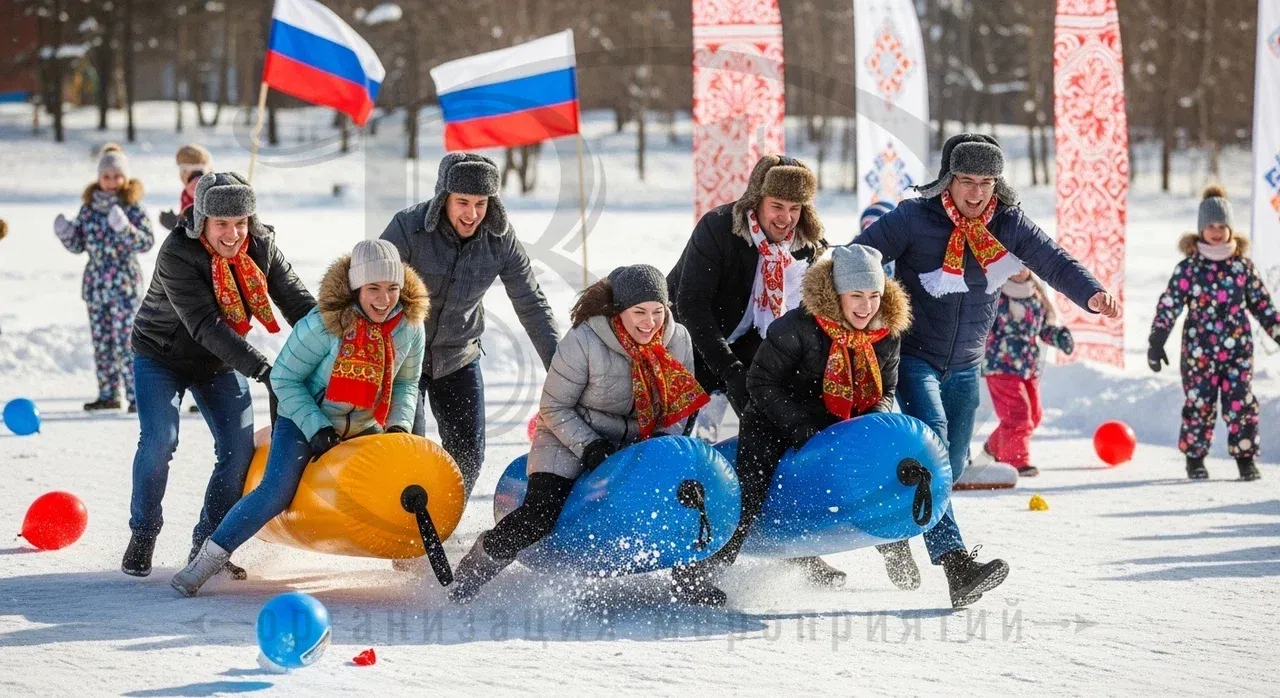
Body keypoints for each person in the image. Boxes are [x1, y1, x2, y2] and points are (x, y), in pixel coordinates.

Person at [853, 133, 1121, 607]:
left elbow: (1052, 260)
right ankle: (956, 564)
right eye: (966, 181)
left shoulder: (1007, 222)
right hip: (915, 357)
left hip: (967, 363)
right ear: (948, 181)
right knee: (932, 446)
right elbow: (859, 257)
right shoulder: (915, 218)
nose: (976, 193)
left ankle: (894, 526)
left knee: (951, 465)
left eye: (987, 182)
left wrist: (1091, 293)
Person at [171, 240, 428, 596]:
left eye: (392, 289)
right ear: (356, 287)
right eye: (373, 289)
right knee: (276, 491)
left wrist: (399, 426)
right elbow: (284, 379)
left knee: (401, 479)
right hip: (304, 415)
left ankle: (418, 558)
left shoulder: (410, 327)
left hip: (367, 424)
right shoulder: (324, 325)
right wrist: (316, 427)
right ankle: (206, 560)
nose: (384, 299)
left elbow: (406, 382)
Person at [449, 265, 707, 603]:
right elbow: (554, 407)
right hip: (570, 436)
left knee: (687, 496)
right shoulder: (585, 340)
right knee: (540, 515)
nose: (650, 322)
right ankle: (473, 571)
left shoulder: (678, 339)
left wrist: (662, 443)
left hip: (640, 440)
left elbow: (678, 406)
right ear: (620, 311)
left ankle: (690, 581)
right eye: (639, 312)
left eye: (658, 312)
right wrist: (591, 446)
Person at [672, 246, 913, 605]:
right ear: (837, 293)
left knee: (879, 469)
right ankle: (700, 571)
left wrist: (871, 426)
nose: (866, 307)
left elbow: (886, 387)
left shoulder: (886, 335)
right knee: (750, 491)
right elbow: (761, 384)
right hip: (776, 418)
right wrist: (800, 428)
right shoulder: (796, 328)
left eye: (874, 296)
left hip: (842, 421)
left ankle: (892, 541)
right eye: (856, 296)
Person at [668, 156, 859, 585]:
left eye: (795, 209)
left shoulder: (809, 244)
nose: (785, 218)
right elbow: (690, 307)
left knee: (773, 439)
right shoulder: (720, 228)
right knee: (679, 444)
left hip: (757, 353)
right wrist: (731, 373)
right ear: (757, 201)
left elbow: (813, 317)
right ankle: (671, 537)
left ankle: (790, 547)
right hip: (688, 345)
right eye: (777, 206)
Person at [123, 173, 315, 579]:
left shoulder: (262, 246)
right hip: (161, 355)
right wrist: (263, 369)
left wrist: (335, 341)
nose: (232, 234)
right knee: (160, 441)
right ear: (202, 222)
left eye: (241, 222)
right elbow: (205, 325)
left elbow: (298, 302)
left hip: (218, 363)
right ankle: (143, 532)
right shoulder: (178, 251)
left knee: (237, 452)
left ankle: (207, 544)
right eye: (222, 224)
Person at [381, 153, 559, 501]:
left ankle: (440, 526)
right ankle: (405, 540)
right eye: (462, 202)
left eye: (481, 203)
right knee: (409, 452)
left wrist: (560, 369)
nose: (472, 214)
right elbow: (367, 285)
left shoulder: (500, 238)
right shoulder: (407, 227)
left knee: (469, 456)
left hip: (459, 357)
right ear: (443, 197)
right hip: (404, 358)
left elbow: (531, 302)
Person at [1148, 184, 1280, 481]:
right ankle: (1195, 459)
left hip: (1238, 353)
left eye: (1223, 225)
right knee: (1199, 403)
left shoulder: (1242, 268)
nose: (1217, 232)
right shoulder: (1190, 268)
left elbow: (1262, 305)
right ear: (1200, 229)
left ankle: (1245, 459)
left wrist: (1277, 331)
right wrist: (1157, 340)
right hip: (1199, 354)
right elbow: (1169, 304)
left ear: (1231, 229)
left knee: (1241, 402)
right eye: (1211, 225)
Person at [53, 143, 155, 412]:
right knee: (102, 343)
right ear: (99, 178)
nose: (111, 182)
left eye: (116, 176)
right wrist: (66, 233)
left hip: (124, 285)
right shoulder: (89, 209)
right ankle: (109, 394)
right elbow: (79, 245)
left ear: (125, 178)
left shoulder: (132, 207)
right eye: (106, 176)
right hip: (96, 285)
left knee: (127, 342)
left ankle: (137, 396)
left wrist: (126, 229)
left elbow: (146, 242)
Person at [975, 267, 1074, 477]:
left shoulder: (1034, 293)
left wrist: (1059, 337)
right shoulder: (995, 292)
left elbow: (1042, 330)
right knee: (1018, 416)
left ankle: (995, 447)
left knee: (1034, 416)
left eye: (1022, 264)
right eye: (1012, 264)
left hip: (1028, 366)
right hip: (1001, 363)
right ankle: (1016, 461)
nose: (1017, 269)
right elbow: (981, 325)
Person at [158, 144, 212, 232]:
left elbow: (198, 226)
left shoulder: (195, 189)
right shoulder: (189, 191)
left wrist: (177, 223)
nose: (181, 175)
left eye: (182, 170)